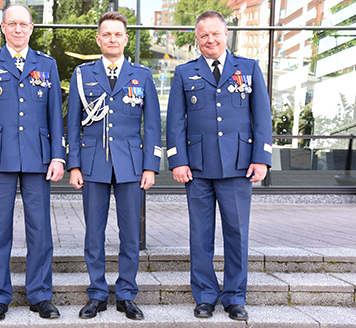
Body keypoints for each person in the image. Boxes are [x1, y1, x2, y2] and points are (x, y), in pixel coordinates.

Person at [166, 10, 272, 321]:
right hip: (197, 168)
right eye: (203, 35)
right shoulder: (184, 73)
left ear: (225, 35)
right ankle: (205, 296)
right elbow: (175, 122)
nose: (210, 39)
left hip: (239, 166)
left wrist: (261, 158)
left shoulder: (249, 68)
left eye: (215, 33)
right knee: (200, 235)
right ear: (196, 39)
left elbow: (262, 117)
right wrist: (177, 161)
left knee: (237, 234)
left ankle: (235, 297)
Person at [0, 3, 65, 322]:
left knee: (40, 231)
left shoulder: (47, 64)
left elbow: (54, 115)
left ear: (32, 28)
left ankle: (40, 294)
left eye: (23, 24)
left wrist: (58, 155)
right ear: (2, 27)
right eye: (12, 24)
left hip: (38, 158)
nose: (18, 29)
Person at [66, 11, 162, 321]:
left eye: (117, 34)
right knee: (94, 233)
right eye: (106, 34)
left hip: (131, 165)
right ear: (98, 39)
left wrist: (151, 166)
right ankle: (96, 293)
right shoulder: (83, 74)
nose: (112, 39)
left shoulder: (142, 75)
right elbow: (72, 125)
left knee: (130, 233)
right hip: (93, 163)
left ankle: (126, 294)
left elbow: (153, 126)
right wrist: (74, 165)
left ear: (125, 38)